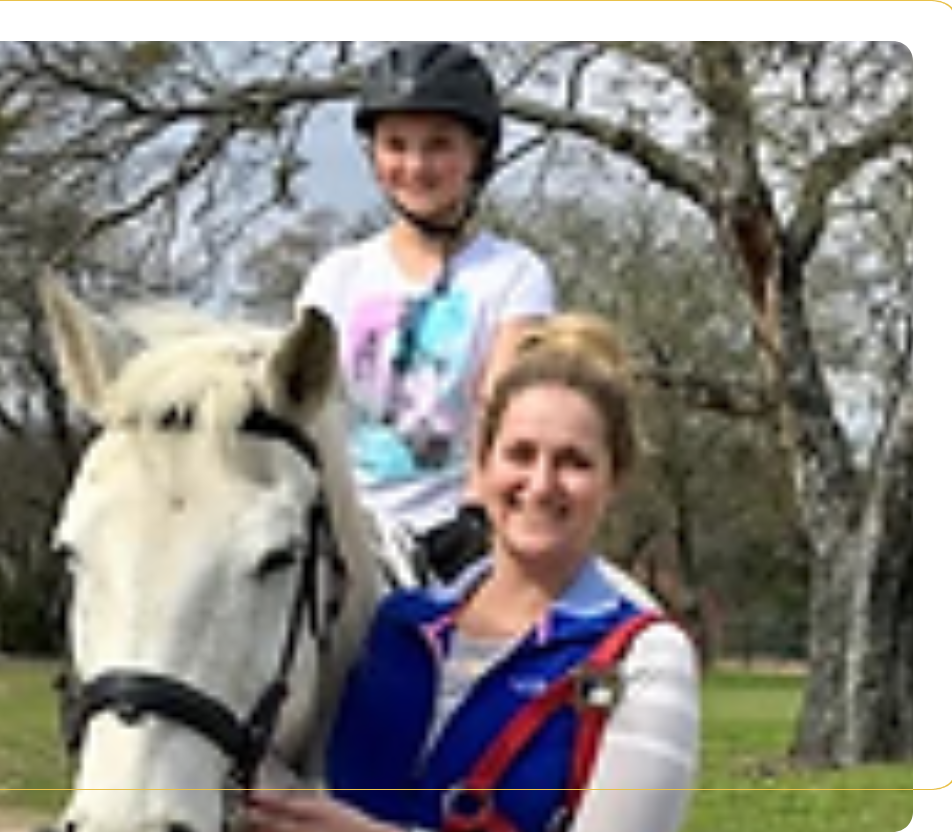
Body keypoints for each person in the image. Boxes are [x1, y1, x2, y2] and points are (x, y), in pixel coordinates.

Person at [246, 312, 701, 832]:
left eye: (574, 462)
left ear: (614, 480)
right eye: (520, 454)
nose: (541, 483)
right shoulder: (392, 624)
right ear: (481, 465)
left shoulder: (643, 658)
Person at [296, 42, 557, 584]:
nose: (415, 165)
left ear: (477, 154)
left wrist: (477, 510)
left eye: (438, 146)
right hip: (347, 538)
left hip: (461, 538)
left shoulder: (514, 275)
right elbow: (305, 412)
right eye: (396, 145)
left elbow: (504, 406)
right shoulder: (335, 278)